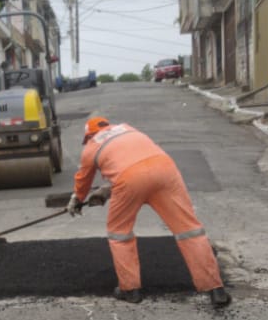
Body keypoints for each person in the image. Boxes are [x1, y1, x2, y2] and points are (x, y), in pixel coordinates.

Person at [67, 115, 231, 308]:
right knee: (190, 231)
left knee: (119, 233)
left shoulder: (91, 147)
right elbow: (137, 162)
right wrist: (108, 190)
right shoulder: (127, 128)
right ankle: (216, 289)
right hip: (165, 170)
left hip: (129, 180)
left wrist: (76, 199)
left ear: (89, 135)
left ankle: (130, 290)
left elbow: (84, 180)